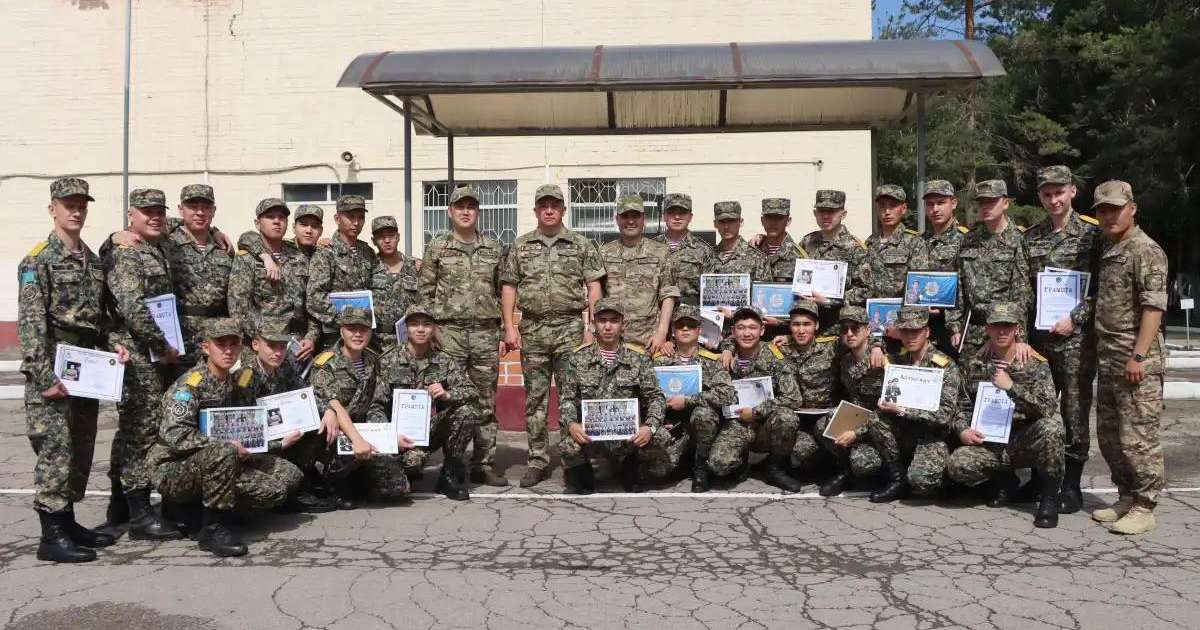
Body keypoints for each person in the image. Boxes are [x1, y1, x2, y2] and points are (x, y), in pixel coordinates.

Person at [19, 177, 131, 562]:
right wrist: (43, 376)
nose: (76, 210)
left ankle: (67, 523)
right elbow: (32, 324)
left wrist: (113, 343)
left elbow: (98, 318)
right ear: (53, 208)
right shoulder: (38, 260)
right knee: (55, 450)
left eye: (82, 204)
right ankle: (50, 536)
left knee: (80, 448)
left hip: (86, 367)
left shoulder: (92, 262)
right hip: (53, 367)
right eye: (68, 204)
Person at [150, 319, 304, 557]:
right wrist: (224, 445)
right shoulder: (189, 386)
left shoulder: (235, 382)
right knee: (226, 454)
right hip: (175, 466)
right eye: (221, 344)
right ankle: (211, 527)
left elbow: (245, 428)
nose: (229, 350)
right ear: (205, 347)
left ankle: (201, 510)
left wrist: (277, 444)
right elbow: (175, 434)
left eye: (234, 344)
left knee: (287, 478)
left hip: (222, 460)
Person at [500, 184, 605, 487]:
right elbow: (509, 286)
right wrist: (509, 326)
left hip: (570, 329)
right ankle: (538, 460)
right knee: (535, 398)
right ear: (535, 211)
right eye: (543, 205)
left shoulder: (581, 245)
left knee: (574, 395)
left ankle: (574, 458)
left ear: (563, 210)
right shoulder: (520, 247)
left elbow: (594, 287)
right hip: (532, 330)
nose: (548, 210)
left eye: (554, 205)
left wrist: (592, 327)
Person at [100, 188, 184, 541]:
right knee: (140, 431)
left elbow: (194, 222)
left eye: (159, 211)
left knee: (136, 427)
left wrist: (219, 234)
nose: (155, 217)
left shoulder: (161, 241)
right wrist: (161, 345)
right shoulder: (126, 251)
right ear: (130, 215)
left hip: (156, 353)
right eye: (146, 212)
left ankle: (120, 502)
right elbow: (133, 307)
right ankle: (139, 514)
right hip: (138, 354)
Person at [1090, 180, 1168, 535]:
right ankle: (1126, 496)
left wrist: (1138, 355)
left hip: (1136, 362)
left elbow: (1153, 307)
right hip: (1109, 359)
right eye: (1102, 210)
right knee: (1110, 436)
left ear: (1132, 208)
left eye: (1115, 208)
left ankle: (1146, 505)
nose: (1108, 215)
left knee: (1138, 437)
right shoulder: (1111, 249)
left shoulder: (1145, 250)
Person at [1022, 165, 1101, 513]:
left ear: (1072, 191)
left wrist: (1076, 318)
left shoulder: (1091, 235)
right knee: (1038, 409)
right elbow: (1024, 290)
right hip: (1039, 341)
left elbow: (1103, 288)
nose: (1053, 199)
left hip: (1075, 341)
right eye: (1046, 193)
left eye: (1059, 192)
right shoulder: (1031, 237)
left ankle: (1071, 484)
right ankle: (1042, 477)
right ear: (1039, 196)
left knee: (1073, 411)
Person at [419, 185, 508, 487]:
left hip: (484, 332)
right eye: (460, 207)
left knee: (485, 402)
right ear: (450, 212)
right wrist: (430, 333)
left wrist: (505, 327)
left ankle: (483, 463)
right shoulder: (438, 247)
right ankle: (453, 463)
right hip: (449, 334)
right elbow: (425, 293)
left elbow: (502, 290)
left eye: (471, 207)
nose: (466, 211)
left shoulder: (493, 248)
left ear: (478, 212)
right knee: (450, 401)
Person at [947, 302, 1064, 528]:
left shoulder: (1034, 364)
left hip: (1024, 439)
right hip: (991, 442)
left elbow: (1047, 408)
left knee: (1052, 429)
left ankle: (1048, 498)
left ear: (1017, 330)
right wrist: (962, 429)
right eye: (996, 326)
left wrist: (1011, 387)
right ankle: (1004, 482)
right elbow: (962, 404)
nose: (1002, 332)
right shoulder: (975, 364)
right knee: (957, 464)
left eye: (1007, 327)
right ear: (987, 330)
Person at [368, 303, 481, 501]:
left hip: (430, 430)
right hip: (398, 435)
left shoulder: (444, 360)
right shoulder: (388, 360)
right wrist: (390, 436)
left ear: (434, 329)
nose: (420, 329)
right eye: (414, 324)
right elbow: (375, 406)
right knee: (407, 470)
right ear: (406, 329)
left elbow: (471, 391)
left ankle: (450, 475)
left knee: (468, 411)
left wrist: (447, 394)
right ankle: (402, 468)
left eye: (426, 324)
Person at [557, 298, 669, 494]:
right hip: (591, 436)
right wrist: (572, 424)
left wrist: (649, 427)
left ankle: (630, 466)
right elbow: (567, 399)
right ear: (594, 324)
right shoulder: (577, 358)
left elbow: (655, 397)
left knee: (660, 436)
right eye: (602, 320)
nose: (608, 326)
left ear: (623, 325)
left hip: (628, 437)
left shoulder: (639, 358)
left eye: (614, 320)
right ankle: (583, 473)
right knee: (567, 444)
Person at [231, 320, 336, 513]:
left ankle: (305, 475)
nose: (278, 352)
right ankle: (294, 492)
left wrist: (328, 410)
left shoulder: (284, 366)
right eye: (271, 346)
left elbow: (305, 392)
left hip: (282, 432)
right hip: (258, 445)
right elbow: (245, 433)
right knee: (289, 478)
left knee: (319, 424)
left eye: (282, 346)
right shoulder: (246, 377)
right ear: (255, 345)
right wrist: (279, 444)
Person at [309, 307, 400, 509]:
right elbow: (332, 404)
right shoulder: (325, 362)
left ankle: (359, 476)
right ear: (341, 331)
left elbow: (376, 404)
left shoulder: (372, 360)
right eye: (351, 328)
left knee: (395, 488)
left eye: (363, 329)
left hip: (365, 431)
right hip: (334, 436)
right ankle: (333, 483)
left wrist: (387, 437)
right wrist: (357, 439)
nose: (358, 334)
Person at [868, 307, 962, 502]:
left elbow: (944, 415)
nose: (910, 336)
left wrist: (902, 411)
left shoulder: (944, 365)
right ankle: (897, 479)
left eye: (916, 331)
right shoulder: (897, 362)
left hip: (932, 435)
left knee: (921, 482)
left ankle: (944, 479)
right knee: (876, 418)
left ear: (927, 332)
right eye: (905, 331)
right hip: (906, 431)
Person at [707, 306, 805, 492]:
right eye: (741, 327)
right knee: (719, 466)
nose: (746, 333)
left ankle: (775, 468)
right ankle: (741, 462)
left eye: (752, 327)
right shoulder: (725, 356)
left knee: (787, 417)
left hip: (765, 424)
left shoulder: (775, 356)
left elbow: (793, 398)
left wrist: (757, 411)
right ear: (733, 331)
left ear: (762, 330)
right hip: (736, 424)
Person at [650, 304, 738, 492]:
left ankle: (700, 468)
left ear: (699, 329)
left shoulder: (712, 360)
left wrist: (689, 400)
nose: (685, 329)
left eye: (690, 325)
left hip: (702, 424)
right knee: (657, 473)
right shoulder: (659, 361)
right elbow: (646, 393)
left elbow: (728, 394)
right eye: (680, 325)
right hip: (672, 425)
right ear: (673, 330)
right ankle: (682, 461)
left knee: (703, 414)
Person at [947, 180, 1032, 359]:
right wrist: (955, 327)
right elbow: (958, 286)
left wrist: (1019, 336)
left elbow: (1021, 293)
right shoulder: (969, 238)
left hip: (1003, 333)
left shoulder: (1018, 240)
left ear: (1006, 203)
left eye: (992, 201)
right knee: (969, 386)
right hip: (970, 331)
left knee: (1000, 384)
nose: (986, 207)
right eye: (982, 202)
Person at [228, 199, 319, 361]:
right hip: (262, 346)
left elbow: (312, 303)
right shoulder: (247, 259)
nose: (277, 221)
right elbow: (239, 308)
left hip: (297, 346)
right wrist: (265, 339)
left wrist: (311, 336)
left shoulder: (299, 256)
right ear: (257, 224)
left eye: (282, 218)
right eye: (270, 217)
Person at [160, 184, 233, 374]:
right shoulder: (166, 241)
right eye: (193, 206)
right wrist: (115, 236)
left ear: (214, 210)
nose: (200, 212)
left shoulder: (223, 248)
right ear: (180, 209)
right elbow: (140, 226)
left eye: (206, 207)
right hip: (180, 336)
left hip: (216, 338)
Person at [814, 307, 884, 496]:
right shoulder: (845, 360)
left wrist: (878, 345)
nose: (849, 334)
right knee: (823, 425)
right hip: (858, 420)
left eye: (855, 328)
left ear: (868, 330)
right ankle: (845, 472)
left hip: (882, 426)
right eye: (844, 329)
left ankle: (883, 472)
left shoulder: (883, 358)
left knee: (864, 462)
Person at [600, 194, 679, 354]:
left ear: (644, 219)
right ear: (617, 219)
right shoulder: (604, 253)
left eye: (635, 215)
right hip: (612, 341)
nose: (630, 221)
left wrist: (662, 333)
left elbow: (668, 295)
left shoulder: (661, 252)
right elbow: (596, 294)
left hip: (649, 342)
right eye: (625, 216)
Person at [307, 194, 377, 351]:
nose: (356, 222)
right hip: (335, 339)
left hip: (365, 338)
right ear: (337, 219)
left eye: (360, 217)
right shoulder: (325, 253)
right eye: (351, 217)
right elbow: (314, 298)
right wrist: (348, 321)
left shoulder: (367, 252)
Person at [779, 299, 840, 476]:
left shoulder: (831, 346)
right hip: (799, 420)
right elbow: (749, 343)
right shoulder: (782, 348)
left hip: (824, 416)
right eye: (796, 325)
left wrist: (876, 347)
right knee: (802, 453)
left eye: (807, 324)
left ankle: (840, 467)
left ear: (817, 325)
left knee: (826, 432)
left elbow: (861, 337)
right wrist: (728, 349)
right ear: (789, 327)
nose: (801, 330)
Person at [800, 190, 869, 332]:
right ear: (815, 213)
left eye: (831, 211)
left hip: (839, 328)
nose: (825, 216)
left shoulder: (855, 248)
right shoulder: (807, 242)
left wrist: (830, 301)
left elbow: (866, 290)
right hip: (807, 328)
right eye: (821, 211)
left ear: (843, 214)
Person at [921, 180, 969, 356]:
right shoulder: (919, 242)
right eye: (930, 204)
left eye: (941, 203)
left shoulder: (966, 240)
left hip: (954, 326)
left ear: (954, 203)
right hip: (923, 324)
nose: (935, 209)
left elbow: (969, 286)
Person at [864, 185, 930, 302]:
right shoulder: (870, 242)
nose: (887, 211)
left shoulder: (914, 242)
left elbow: (918, 283)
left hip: (904, 313)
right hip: (873, 312)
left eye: (893, 206)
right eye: (882, 206)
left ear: (903, 208)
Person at [368, 215, 420, 355]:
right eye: (380, 237)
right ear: (373, 241)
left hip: (409, 341)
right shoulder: (368, 267)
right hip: (376, 343)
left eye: (391, 235)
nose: (386, 240)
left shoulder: (416, 267)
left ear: (398, 237)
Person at [654, 193, 714, 308]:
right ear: (664, 216)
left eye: (682, 213)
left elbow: (710, 293)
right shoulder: (651, 247)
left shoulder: (703, 250)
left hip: (690, 318)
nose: (677, 217)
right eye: (671, 213)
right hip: (657, 315)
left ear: (690, 217)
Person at [753, 198, 808, 283]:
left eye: (779, 218)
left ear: (788, 221)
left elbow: (805, 292)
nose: (773, 223)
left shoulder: (800, 257)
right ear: (762, 220)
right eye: (769, 217)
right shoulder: (753, 251)